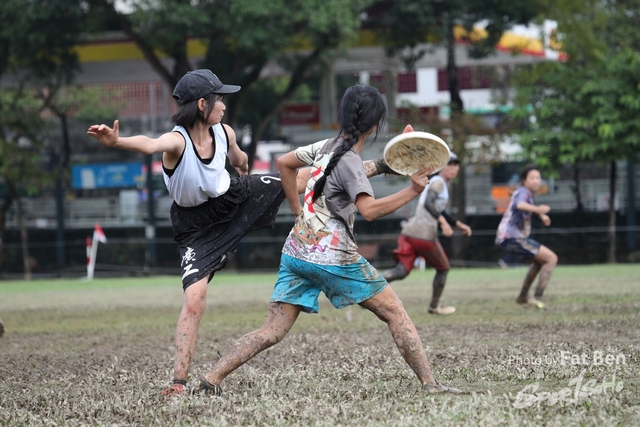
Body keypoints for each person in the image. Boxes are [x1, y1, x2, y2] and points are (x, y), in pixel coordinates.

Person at [87, 70, 405, 396]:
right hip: (197, 229)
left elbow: (239, 160)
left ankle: (382, 165)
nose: (223, 105)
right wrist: (117, 141)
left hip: (236, 197)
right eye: (219, 99)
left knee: (307, 177)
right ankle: (179, 382)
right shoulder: (177, 140)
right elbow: (151, 144)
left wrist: (242, 171)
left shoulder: (224, 132)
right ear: (201, 104)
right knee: (194, 299)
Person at [192, 84, 461, 397]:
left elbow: (285, 163)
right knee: (395, 312)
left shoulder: (328, 147)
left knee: (271, 331)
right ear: (375, 124)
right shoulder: (348, 159)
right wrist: (413, 190)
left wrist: (297, 208)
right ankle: (431, 384)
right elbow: (370, 211)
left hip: (296, 251)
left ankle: (211, 379)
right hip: (333, 258)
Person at [381, 153, 472, 315]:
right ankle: (434, 306)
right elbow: (430, 204)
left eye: (456, 164)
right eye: (449, 164)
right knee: (443, 267)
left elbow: (439, 209)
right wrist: (443, 223)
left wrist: (458, 225)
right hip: (423, 235)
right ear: (441, 166)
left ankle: (367, 291)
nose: (453, 168)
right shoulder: (438, 183)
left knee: (401, 271)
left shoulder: (438, 183)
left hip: (409, 232)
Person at [495, 164, 557, 309]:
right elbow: (520, 205)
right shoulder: (523, 192)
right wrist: (538, 209)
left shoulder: (526, 193)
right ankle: (538, 298)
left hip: (510, 238)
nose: (536, 181)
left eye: (538, 178)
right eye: (532, 178)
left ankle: (523, 296)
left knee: (539, 262)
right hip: (511, 238)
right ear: (524, 180)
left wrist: (541, 215)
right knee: (551, 258)